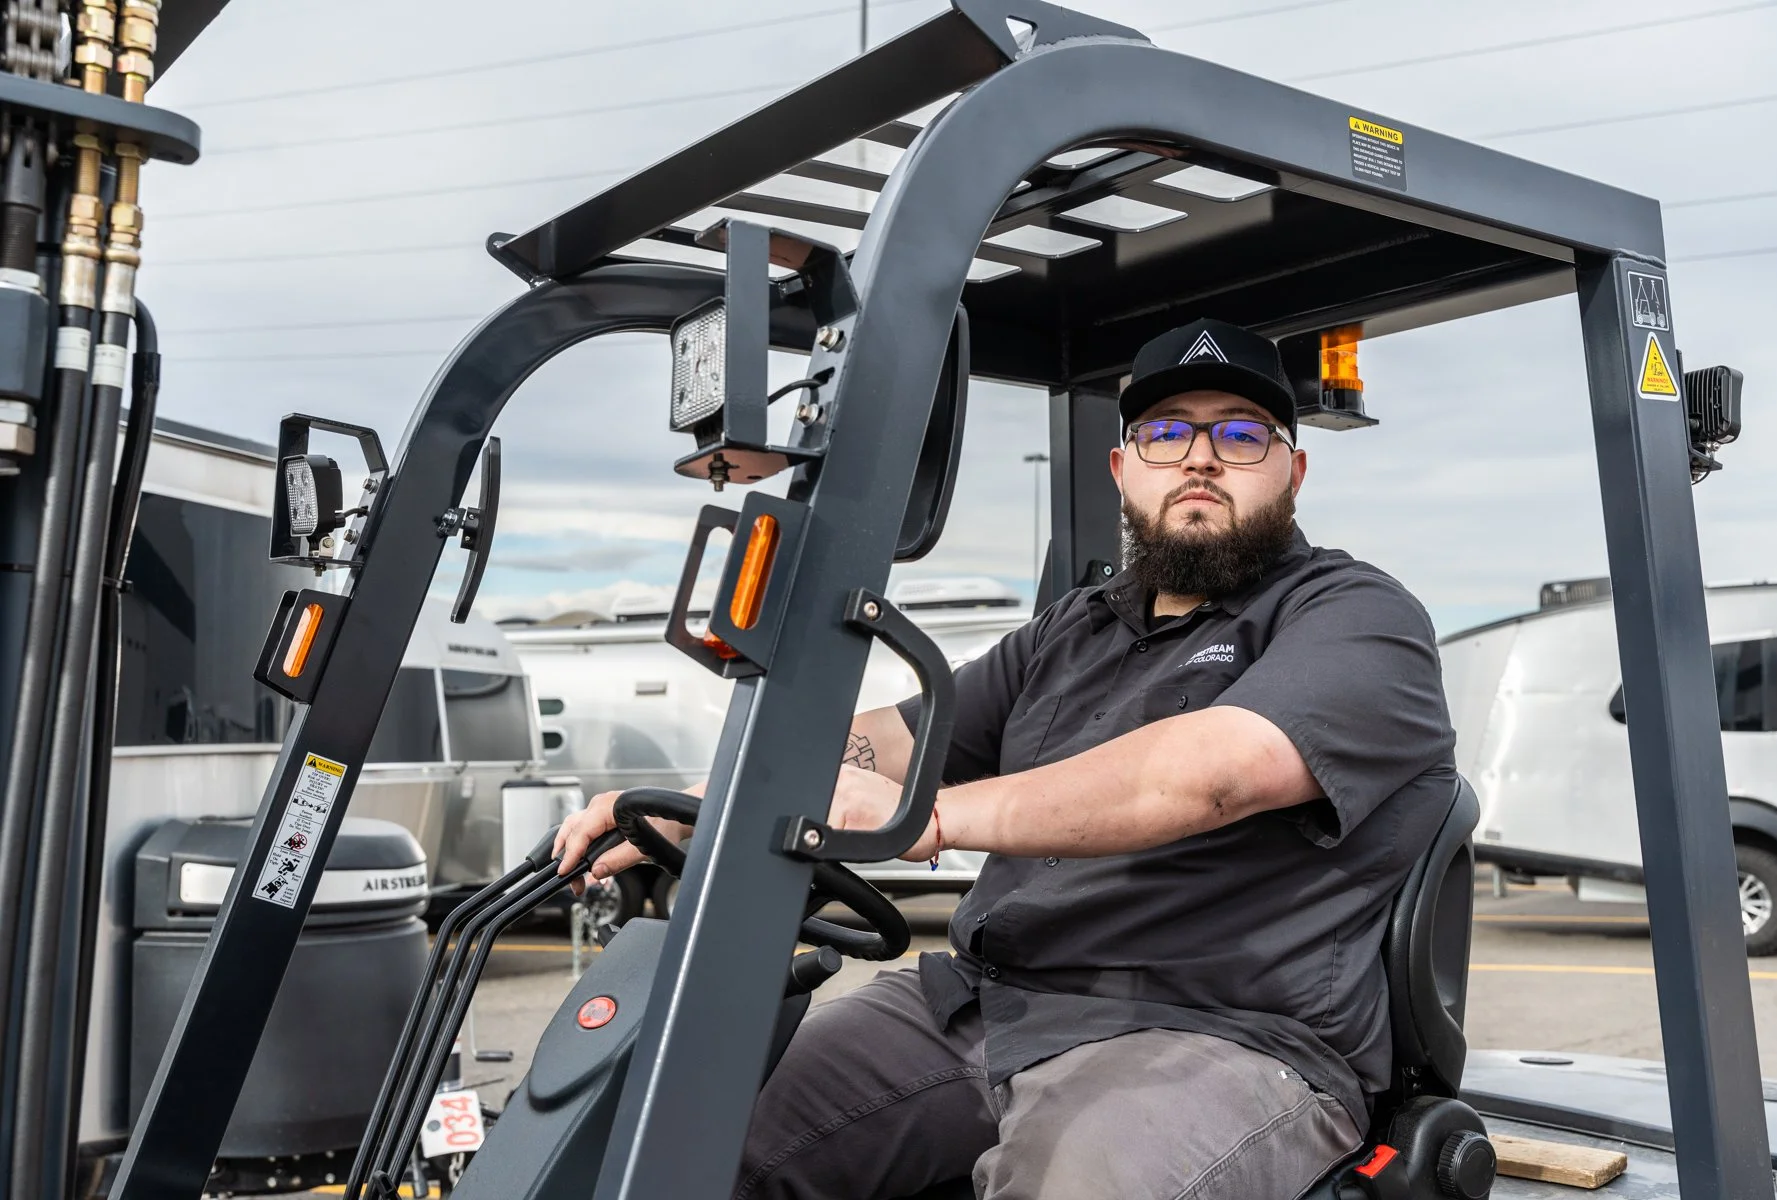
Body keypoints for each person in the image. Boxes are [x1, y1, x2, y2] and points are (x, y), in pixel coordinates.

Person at [555, 316, 1459, 1200]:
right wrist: (696, 800)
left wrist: (932, 816)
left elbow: (1214, 769)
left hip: (1215, 1038)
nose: (1200, 456)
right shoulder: (1073, 630)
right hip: (983, 1005)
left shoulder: (1355, 616)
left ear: (1292, 472)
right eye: (1166, 434)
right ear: (1122, 469)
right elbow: (891, 739)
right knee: (694, 1136)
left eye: (1240, 434)